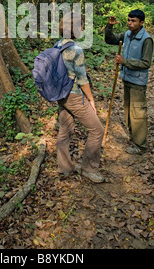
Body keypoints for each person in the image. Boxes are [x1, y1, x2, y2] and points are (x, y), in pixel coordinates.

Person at [56, 13, 105, 183]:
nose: (83, 29)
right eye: (81, 25)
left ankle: (65, 168)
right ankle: (88, 169)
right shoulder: (76, 50)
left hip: (61, 94)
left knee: (65, 130)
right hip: (74, 95)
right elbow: (82, 79)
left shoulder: (58, 45)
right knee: (97, 130)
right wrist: (91, 99)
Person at [105, 9, 154, 154]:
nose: (130, 23)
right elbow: (110, 40)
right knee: (128, 111)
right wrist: (109, 26)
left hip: (138, 82)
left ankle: (141, 146)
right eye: (129, 20)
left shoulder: (146, 39)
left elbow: (146, 63)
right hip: (127, 78)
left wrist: (124, 61)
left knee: (138, 113)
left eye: (134, 21)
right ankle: (134, 138)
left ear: (141, 23)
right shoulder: (127, 34)